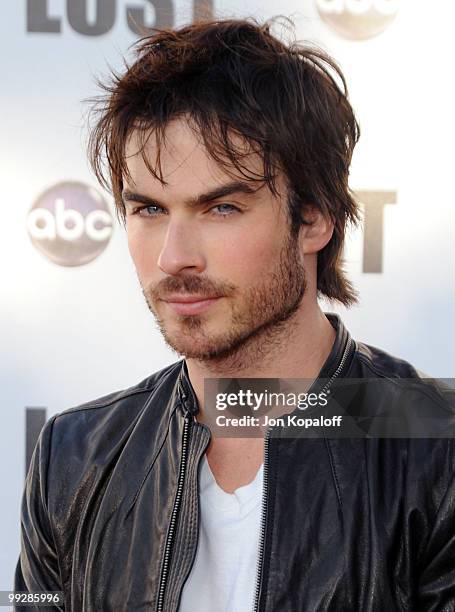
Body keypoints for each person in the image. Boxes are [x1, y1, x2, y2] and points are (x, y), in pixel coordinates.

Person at [14, 17, 455, 612]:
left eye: (220, 207)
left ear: (315, 219)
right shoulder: (73, 458)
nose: (174, 258)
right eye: (147, 208)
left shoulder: (436, 448)